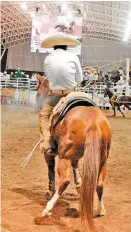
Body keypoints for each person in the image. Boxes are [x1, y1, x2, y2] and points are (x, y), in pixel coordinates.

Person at [39, 32, 83, 155]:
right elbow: (79, 79)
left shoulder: (48, 59)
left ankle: (47, 143)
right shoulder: (73, 57)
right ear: (66, 46)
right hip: (72, 94)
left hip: (55, 95)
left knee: (44, 115)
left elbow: (50, 77)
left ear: (53, 46)